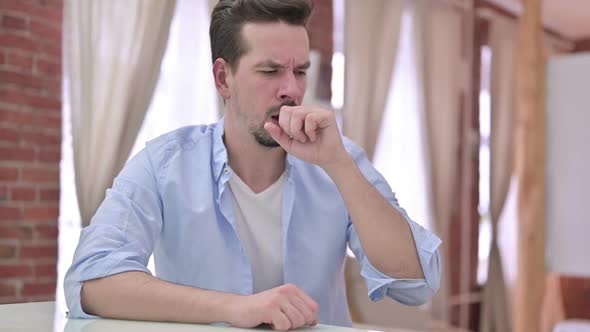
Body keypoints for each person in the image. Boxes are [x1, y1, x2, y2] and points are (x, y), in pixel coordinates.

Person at [64, 0, 442, 330]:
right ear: (222, 78)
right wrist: (235, 309)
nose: (292, 89)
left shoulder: (341, 160)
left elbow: (416, 283)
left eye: (300, 71)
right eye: (270, 71)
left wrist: (339, 165)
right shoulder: (165, 165)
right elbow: (90, 281)